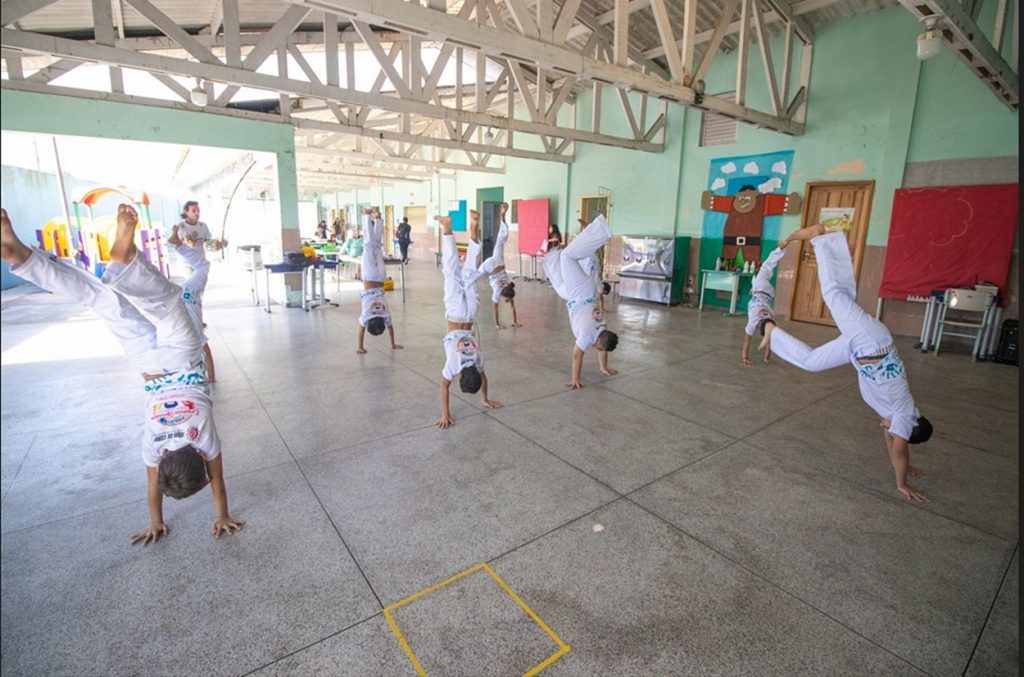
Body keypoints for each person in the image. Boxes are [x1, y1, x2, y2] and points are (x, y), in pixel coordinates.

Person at [0, 205, 244, 545]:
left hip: (183, 359)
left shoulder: (203, 439)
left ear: (200, 460)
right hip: (148, 366)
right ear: (165, 462)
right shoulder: (153, 449)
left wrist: (222, 514)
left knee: (169, 303)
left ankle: (126, 266)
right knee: (100, 301)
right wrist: (154, 521)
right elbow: (151, 487)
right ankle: (23, 259)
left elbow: (218, 482)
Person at [760, 224, 933, 502]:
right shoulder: (902, 414)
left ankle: (771, 331)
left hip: (859, 351)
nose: (890, 431)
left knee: (812, 362)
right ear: (908, 427)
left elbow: (895, 445)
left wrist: (902, 465)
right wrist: (902, 484)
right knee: (833, 294)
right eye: (899, 433)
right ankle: (821, 237)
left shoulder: (904, 415)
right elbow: (900, 447)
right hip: (871, 341)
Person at [435, 211, 503, 428]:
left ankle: (474, 231)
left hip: (471, 314)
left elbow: (484, 378)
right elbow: (444, 387)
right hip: (456, 314)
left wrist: (485, 398)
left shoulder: (478, 362)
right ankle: (447, 229)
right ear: (461, 376)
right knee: (451, 271)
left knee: (469, 271)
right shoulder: (454, 366)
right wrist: (445, 415)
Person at [543, 214, 620, 389]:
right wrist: (575, 379)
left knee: (560, 284)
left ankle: (551, 258)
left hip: (583, 293)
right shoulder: (587, 335)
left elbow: (603, 347)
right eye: (600, 348)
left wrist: (604, 367)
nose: (598, 349)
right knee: (566, 257)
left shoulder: (603, 329)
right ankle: (600, 230)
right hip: (581, 293)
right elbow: (577, 355)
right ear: (599, 342)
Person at [167, 225, 217, 382]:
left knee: (203, 266)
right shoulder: (192, 336)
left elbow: (206, 354)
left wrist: (212, 376)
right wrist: (212, 377)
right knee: (203, 266)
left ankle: (177, 244)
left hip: (188, 293)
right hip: (185, 294)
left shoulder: (192, 336)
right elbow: (206, 353)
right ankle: (177, 244)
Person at [357, 208, 403, 354]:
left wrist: (393, 343)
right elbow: (361, 332)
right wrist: (360, 347)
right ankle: (367, 216)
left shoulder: (385, 315)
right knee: (369, 245)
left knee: (376, 247)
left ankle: (377, 219)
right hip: (370, 278)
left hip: (380, 278)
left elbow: (391, 329)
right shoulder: (366, 316)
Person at [740, 245, 786, 366]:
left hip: (764, 291)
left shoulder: (766, 318)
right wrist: (766, 358)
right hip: (761, 290)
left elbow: (749, 340)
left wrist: (745, 358)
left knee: (766, 267)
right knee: (766, 266)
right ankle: (780, 249)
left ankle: (780, 249)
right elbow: (767, 338)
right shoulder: (758, 322)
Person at [479, 203, 521, 329]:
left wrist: (515, 322)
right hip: (492, 266)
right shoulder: (499, 292)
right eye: (508, 300)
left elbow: (512, 307)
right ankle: (503, 217)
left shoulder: (508, 289)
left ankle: (503, 217)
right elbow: (495, 309)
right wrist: (497, 324)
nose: (508, 302)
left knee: (500, 240)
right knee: (476, 274)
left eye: (508, 300)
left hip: (498, 262)